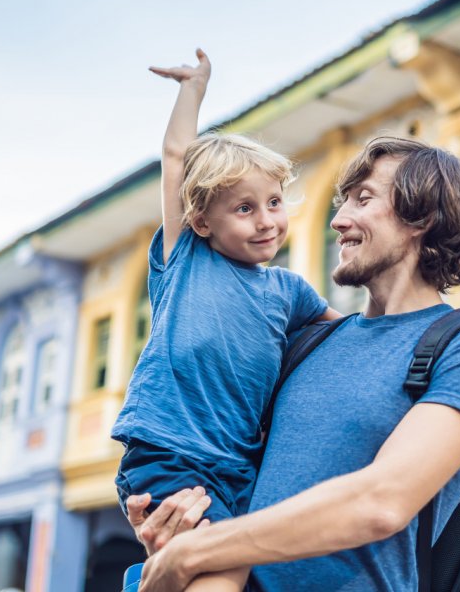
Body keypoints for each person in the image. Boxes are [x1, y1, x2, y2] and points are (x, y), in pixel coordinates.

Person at [130, 136, 460, 591]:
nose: (338, 220)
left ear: (423, 217)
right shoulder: (307, 343)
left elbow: (383, 501)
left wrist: (198, 550)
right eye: (342, 202)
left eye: (363, 199)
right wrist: (177, 525)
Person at [110, 49, 340, 591]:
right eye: (244, 209)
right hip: (172, 454)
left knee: (217, 573)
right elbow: (175, 156)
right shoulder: (187, 258)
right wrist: (194, 89)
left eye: (275, 203)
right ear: (200, 220)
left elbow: (353, 336)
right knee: (222, 574)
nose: (267, 222)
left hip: (239, 469)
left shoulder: (290, 292)